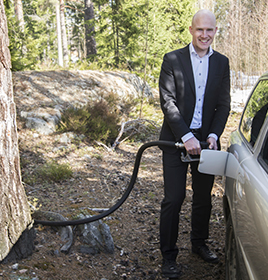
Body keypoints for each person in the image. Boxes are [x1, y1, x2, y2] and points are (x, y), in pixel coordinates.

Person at [158, 9, 230, 279]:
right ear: (191, 30)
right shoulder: (172, 59)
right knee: (174, 199)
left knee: (203, 199)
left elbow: (223, 104)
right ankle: (168, 256)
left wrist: (213, 135)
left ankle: (199, 244)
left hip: (207, 141)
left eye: (209, 30)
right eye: (200, 30)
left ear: (215, 31)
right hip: (176, 140)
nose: (205, 35)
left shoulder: (222, 63)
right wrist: (186, 136)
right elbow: (168, 102)